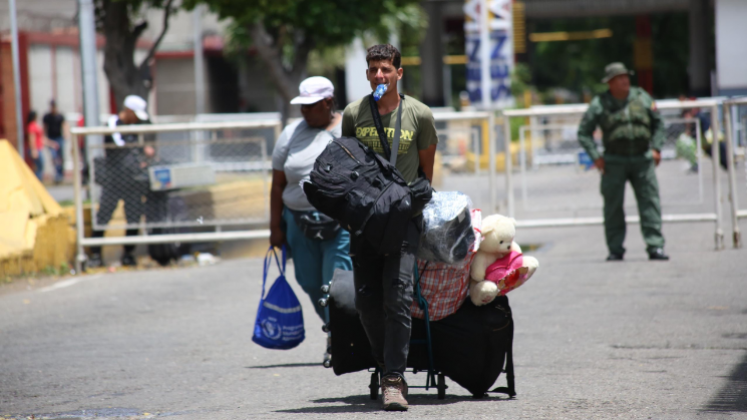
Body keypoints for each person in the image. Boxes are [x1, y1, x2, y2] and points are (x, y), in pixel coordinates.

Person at [341, 44, 438, 411]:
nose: (379, 76)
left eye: (385, 69)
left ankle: (394, 379)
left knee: (397, 299)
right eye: (372, 70)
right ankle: (385, 365)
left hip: (403, 222)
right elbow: (344, 164)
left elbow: (427, 174)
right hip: (364, 223)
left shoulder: (420, 115)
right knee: (367, 304)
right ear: (367, 75)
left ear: (399, 73)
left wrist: (412, 199)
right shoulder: (354, 114)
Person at [269, 76, 353, 321]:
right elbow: (277, 184)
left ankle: (338, 339)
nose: (304, 112)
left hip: (341, 223)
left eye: (311, 106)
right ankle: (333, 329)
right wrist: (275, 227)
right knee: (309, 283)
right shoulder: (291, 134)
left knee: (337, 283)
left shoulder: (350, 128)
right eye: (302, 106)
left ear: (328, 102)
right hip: (298, 221)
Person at [577, 62, 669, 262]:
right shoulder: (599, 104)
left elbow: (659, 123)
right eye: (619, 77)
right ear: (610, 82)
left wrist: (656, 147)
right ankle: (615, 249)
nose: (625, 80)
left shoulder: (642, 97)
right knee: (613, 207)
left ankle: (655, 246)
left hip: (643, 160)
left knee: (650, 203)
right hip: (613, 162)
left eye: (626, 76)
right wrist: (596, 157)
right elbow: (584, 132)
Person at [88, 95, 155, 269]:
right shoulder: (113, 123)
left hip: (133, 181)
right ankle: (95, 254)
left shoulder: (137, 126)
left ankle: (128, 254)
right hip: (114, 180)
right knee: (103, 217)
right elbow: (120, 145)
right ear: (129, 111)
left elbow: (145, 139)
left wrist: (143, 153)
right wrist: (139, 149)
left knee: (133, 218)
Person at [26, 110, 58, 181]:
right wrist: (34, 150)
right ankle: (36, 182)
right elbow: (32, 139)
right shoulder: (31, 126)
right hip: (36, 149)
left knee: (40, 167)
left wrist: (51, 143)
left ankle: (37, 182)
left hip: (39, 149)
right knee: (39, 167)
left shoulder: (36, 125)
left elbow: (42, 138)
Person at [43, 100, 67, 184]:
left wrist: (65, 136)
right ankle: (57, 174)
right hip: (51, 138)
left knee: (61, 156)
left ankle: (60, 173)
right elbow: (44, 128)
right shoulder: (47, 117)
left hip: (59, 138)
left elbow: (64, 126)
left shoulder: (60, 116)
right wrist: (45, 139)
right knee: (54, 156)